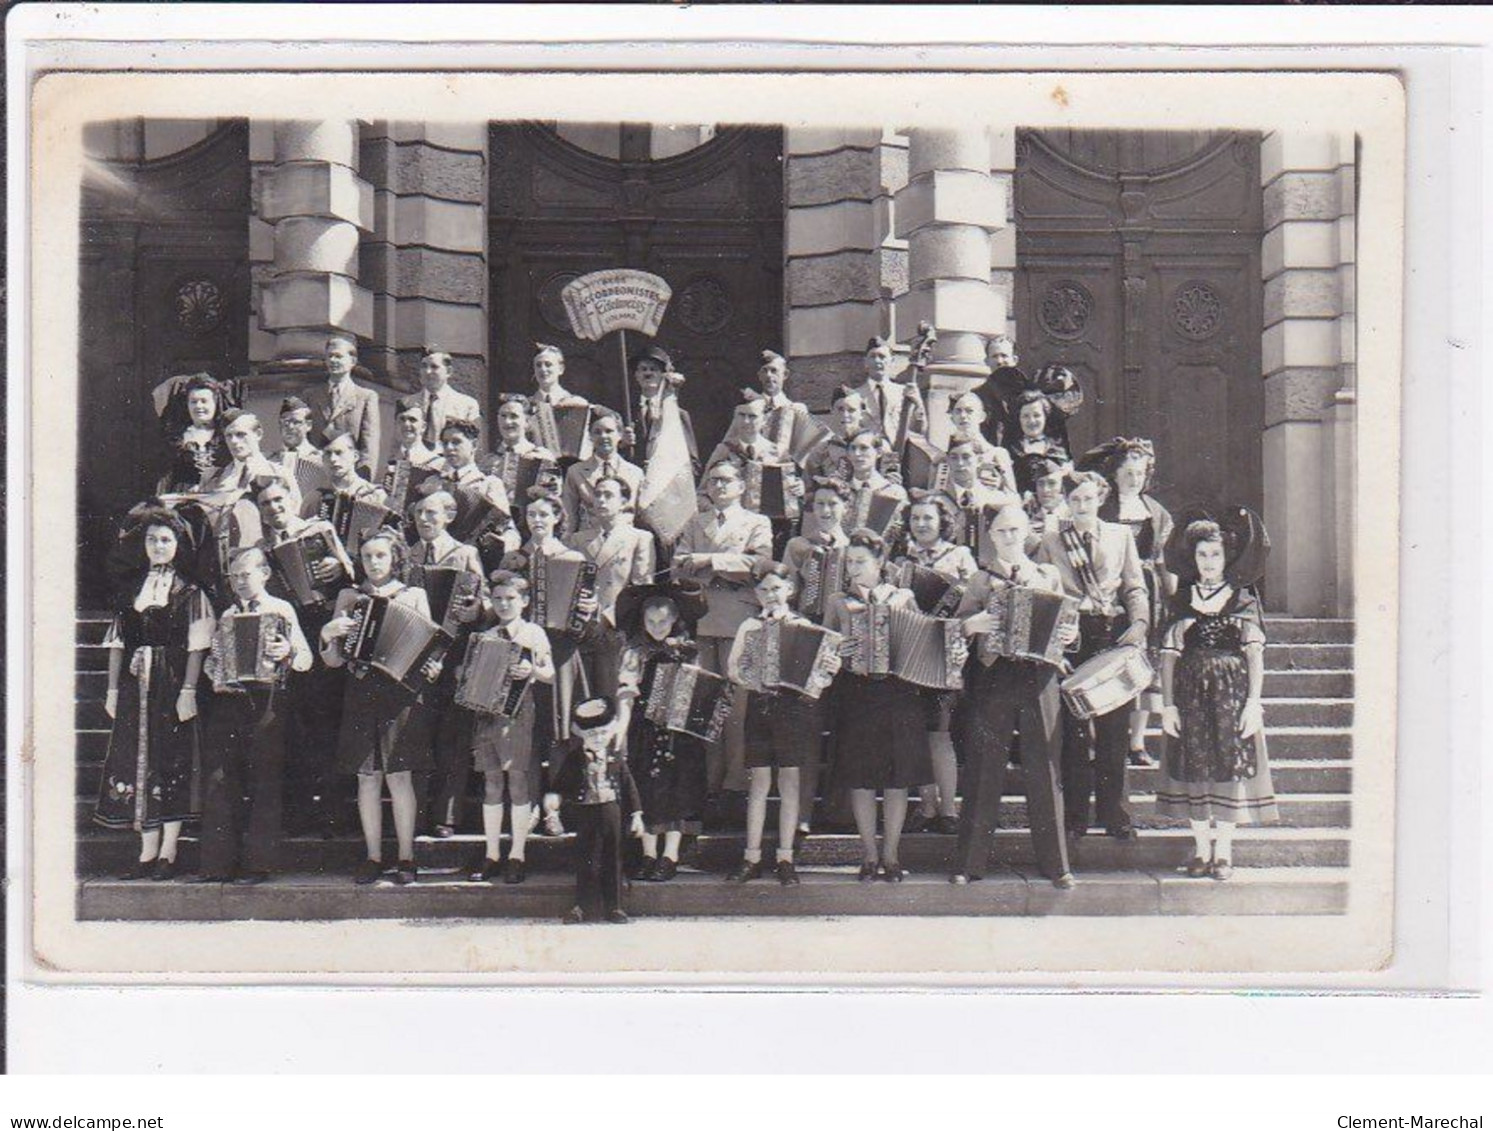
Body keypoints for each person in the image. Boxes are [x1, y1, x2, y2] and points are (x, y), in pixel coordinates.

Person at [951, 504, 1078, 890]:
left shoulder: (1048, 575)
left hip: (1039, 678)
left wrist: (1071, 637)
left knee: (1046, 768)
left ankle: (1057, 865)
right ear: (991, 535)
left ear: (1027, 533)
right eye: (1002, 531)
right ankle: (970, 863)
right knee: (984, 767)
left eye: (1015, 530)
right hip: (995, 676)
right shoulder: (978, 580)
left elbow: (1068, 624)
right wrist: (970, 625)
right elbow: (957, 628)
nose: (1009, 537)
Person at [94, 507, 213, 880]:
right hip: (135, 684)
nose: (158, 546)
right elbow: (117, 644)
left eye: (165, 540)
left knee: (171, 759)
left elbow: (198, 646)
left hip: (172, 680)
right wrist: (113, 688)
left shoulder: (190, 592)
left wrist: (189, 689)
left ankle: (169, 851)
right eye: (152, 540)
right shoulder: (130, 590)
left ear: (178, 545)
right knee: (135, 758)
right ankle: (146, 853)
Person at [1158, 515, 1277, 881]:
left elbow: (1254, 655)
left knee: (1229, 766)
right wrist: (1167, 704)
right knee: (1194, 765)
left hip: (1231, 693)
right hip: (1190, 694)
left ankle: (1223, 852)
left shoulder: (1242, 599)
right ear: (1193, 559)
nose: (1208, 562)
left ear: (1227, 558)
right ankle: (1200, 849)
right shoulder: (1182, 599)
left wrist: (1253, 703)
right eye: (1202, 555)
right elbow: (1168, 656)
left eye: (1215, 554)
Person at [319, 531, 441, 886]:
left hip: (400, 693)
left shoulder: (413, 595)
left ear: (395, 558)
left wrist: (431, 666)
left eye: (381, 555)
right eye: (368, 556)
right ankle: (373, 856)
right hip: (360, 690)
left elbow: (427, 646)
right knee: (366, 778)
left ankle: (406, 857)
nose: (374, 562)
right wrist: (329, 633)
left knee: (400, 776)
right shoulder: (349, 596)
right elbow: (333, 662)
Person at [1035, 470, 1150, 841]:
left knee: (1115, 730)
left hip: (1111, 631)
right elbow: (1043, 594)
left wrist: (1141, 623)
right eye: (1075, 500)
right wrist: (1054, 641)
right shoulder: (1052, 540)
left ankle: (1114, 813)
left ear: (1101, 498)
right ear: (1067, 503)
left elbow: (1134, 587)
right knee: (1074, 733)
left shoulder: (1120, 536)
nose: (1082, 506)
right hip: (1072, 634)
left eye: (1088, 498)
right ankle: (1075, 817)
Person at [197, 546, 314, 884]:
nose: (239, 583)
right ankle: (217, 864)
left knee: (264, 780)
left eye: (245, 575)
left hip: (268, 700)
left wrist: (287, 650)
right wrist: (215, 663)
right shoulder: (228, 615)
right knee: (220, 778)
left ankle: (258, 865)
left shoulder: (282, 609)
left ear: (264, 574)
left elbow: (306, 659)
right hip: (231, 701)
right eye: (234, 577)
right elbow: (214, 667)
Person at [823, 528, 932, 881]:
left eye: (860, 561)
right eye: (849, 561)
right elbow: (823, 647)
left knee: (898, 779)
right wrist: (838, 651)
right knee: (862, 778)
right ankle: (869, 855)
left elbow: (922, 641)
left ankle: (892, 855)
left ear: (880, 562)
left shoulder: (902, 597)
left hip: (899, 694)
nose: (853, 568)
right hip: (858, 693)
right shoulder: (838, 601)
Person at [724, 562, 841, 885]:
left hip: (793, 711)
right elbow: (734, 669)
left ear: (790, 590)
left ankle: (786, 857)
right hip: (760, 707)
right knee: (759, 783)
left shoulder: (803, 625)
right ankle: (751, 856)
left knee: (790, 782)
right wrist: (752, 672)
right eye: (763, 590)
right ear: (755, 594)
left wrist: (831, 666)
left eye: (776, 588)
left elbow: (822, 679)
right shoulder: (749, 627)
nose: (770, 595)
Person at [255, 479, 354, 838]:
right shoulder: (261, 548)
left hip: (321, 628)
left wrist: (337, 566)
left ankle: (333, 813)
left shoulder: (320, 530)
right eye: (266, 504)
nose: (274, 508)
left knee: (327, 723)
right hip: (287, 635)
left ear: (292, 500)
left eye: (279, 500)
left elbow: (350, 576)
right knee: (292, 725)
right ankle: (298, 812)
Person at [671, 459, 773, 802]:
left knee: (736, 708)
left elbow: (757, 566)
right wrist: (717, 564)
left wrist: (710, 562)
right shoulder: (695, 523)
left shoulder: (757, 523)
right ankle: (709, 782)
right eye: (713, 481)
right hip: (702, 620)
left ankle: (735, 783)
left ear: (742, 486)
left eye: (727, 480)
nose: (719, 487)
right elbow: (680, 565)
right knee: (704, 704)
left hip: (738, 622)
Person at [1080, 437, 1176, 768]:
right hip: (1106, 591)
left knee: (1144, 666)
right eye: (1127, 473)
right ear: (1115, 475)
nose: (1133, 479)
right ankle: (1096, 740)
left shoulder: (1156, 512)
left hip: (1145, 593)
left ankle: (1136, 743)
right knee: (1103, 662)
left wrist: (1170, 595)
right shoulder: (1104, 510)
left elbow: (1165, 562)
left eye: (1139, 473)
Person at [612, 578, 711, 881]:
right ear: (642, 621)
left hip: (677, 731)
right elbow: (626, 693)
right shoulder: (634, 652)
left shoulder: (687, 650)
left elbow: (696, 690)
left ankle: (670, 855)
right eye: (651, 621)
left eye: (663, 621)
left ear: (674, 621)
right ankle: (648, 853)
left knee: (676, 790)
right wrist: (621, 727)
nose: (657, 627)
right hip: (644, 728)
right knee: (647, 790)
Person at [461, 571, 555, 884]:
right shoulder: (487, 635)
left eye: (511, 598)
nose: (504, 604)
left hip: (518, 715)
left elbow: (550, 673)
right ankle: (491, 854)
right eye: (498, 598)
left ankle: (517, 853)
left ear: (525, 601)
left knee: (517, 783)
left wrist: (532, 671)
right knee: (491, 784)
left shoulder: (533, 633)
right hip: (488, 716)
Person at [408, 489, 489, 840]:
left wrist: (477, 610)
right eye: (419, 514)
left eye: (432, 513)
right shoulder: (407, 555)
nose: (424, 520)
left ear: (449, 516)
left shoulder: (465, 553)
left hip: (455, 655)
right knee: (417, 734)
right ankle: (417, 812)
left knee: (453, 737)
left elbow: (485, 601)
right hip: (415, 657)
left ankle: (447, 815)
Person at [896, 493, 978, 836]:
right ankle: (926, 806)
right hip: (911, 651)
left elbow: (975, 602)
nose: (921, 524)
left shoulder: (960, 556)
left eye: (928, 518)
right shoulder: (901, 560)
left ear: (942, 521)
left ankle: (948, 809)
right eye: (915, 518)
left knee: (940, 733)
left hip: (946, 653)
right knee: (915, 732)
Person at [547, 696, 645, 924]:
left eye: (603, 733)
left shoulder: (616, 759)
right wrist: (553, 811)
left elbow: (629, 787)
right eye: (592, 735)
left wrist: (636, 815)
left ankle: (615, 907)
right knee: (587, 860)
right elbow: (557, 788)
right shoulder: (573, 760)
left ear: (610, 732)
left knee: (614, 860)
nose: (598, 739)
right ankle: (582, 906)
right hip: (586, 814)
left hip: (612, 812)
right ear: (582, 735)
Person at [567, 474, 655, 695]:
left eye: (609, 495)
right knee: (583, 696)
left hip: (617, 628)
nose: (601, 500)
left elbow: (641, 588)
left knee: (612, 695)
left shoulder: (639, 538)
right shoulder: (578, 540)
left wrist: (608, 616)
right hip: (581, 626)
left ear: (624, 501)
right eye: (597, 495)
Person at [309, 333, 382, 477]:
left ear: (352, 361)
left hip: (350, 475)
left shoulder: (365, 397)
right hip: (316, 474)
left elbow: (369, 443)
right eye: (329, 356)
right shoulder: (310, 395)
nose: (333, 360)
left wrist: (364, 478)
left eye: (338, 356)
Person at [562, 410, 644, 537]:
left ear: (620, 434)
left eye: (609, 431)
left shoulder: (635, 473)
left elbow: (640, 518)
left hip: (625, 544)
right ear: (590, 436)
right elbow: (569, 517)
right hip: (589, 545)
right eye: (597, 432)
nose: (603, 436)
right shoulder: (576, 472)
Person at [623, 345, 699, 471]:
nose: (648, 373)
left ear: (663, 375)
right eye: (643, 369)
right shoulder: (626, 411)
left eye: (654, 369)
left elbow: (692, 462)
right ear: (636, 375)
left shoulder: (677, 415)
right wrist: (622, 444)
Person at [852, 336, 925, 443]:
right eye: (872, 356)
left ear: (892, 361)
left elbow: (920, 429)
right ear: (865, 362)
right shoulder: (855, 396)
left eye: (882, 357)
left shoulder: (903, 392)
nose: (877, 361)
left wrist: (918, 404)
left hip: (902, 453)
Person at [947, 391, 1018, 495]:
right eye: (958, 411)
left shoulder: (997, 454)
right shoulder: (946, 456)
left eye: (969, 411)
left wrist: (1001, 485)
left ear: (982, 416)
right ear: (952, 418)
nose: (963, 416)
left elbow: (1014, 497)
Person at [416, 347, 481, 447]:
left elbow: (473, 444)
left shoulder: (467, 404)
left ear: (449, 371)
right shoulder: (406, 403)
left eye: (434, 367)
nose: (428, 371)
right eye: (424, 366)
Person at [755, 349, 810, 454]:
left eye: (774, 370)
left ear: (785, 374)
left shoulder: (797, 410)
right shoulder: (748, 409)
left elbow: (806, 449)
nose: (769, 375)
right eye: (764, 371)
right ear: (759, 376)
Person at [529, 341, 590, 408]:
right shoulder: (526, 406)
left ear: (561, 369)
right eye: (538, 365)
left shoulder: (576, 403)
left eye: (548, 364)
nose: (543, 369)